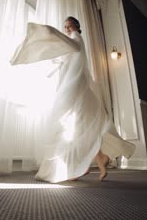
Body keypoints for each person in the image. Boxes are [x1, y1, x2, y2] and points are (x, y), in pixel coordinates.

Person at [10, 17, 135, 183]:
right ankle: (99, 161)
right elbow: (68, 58)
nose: (67, 29)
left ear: (76, 26)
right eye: (65, 27)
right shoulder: (72, 41)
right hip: (74, 87)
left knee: (76, 127)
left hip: (76, 88)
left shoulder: (76, 37)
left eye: (69, 26)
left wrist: (50, 32)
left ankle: (78, 167)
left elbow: (73, 48)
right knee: (81, 127)